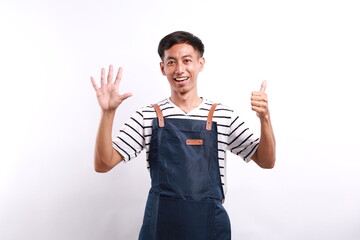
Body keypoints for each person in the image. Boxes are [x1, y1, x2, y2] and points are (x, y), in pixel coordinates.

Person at [91, 31, 276, 240]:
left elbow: (266, 161)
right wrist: (108, 114)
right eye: (171, 62)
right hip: (160, 228)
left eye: (187, 60)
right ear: (163, 68)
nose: (180, 69)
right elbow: (103, 164)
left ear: (200, 64)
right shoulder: (148, 115)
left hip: (209, 227)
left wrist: (265, 118)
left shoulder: (223, 116)